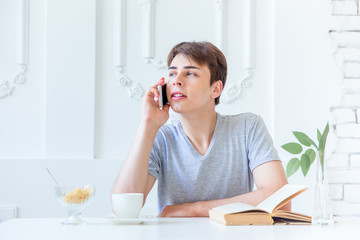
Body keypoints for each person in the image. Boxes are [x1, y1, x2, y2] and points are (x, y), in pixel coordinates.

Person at [111, 41, 289, 217]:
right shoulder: (161, 138)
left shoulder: (247, 128)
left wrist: (194, 209)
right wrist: (147, 124)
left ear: (215, 89)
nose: (176, 81)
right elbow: (122, 210)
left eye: (190, 74)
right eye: (172, 74)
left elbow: (281, 200)